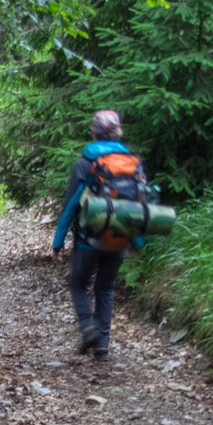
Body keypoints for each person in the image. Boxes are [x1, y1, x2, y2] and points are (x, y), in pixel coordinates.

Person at [51, 109, 146, 362]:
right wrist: (137, 240)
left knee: (77, 283)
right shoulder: (133, 164)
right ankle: (102, 347)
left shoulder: (85, 164)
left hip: (88, 239)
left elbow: (72, 205)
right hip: (120, 236)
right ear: (118, 132)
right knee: (105, 289)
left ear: (93, 132)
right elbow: (138, 205)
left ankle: (87, 328)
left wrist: (58, 242)